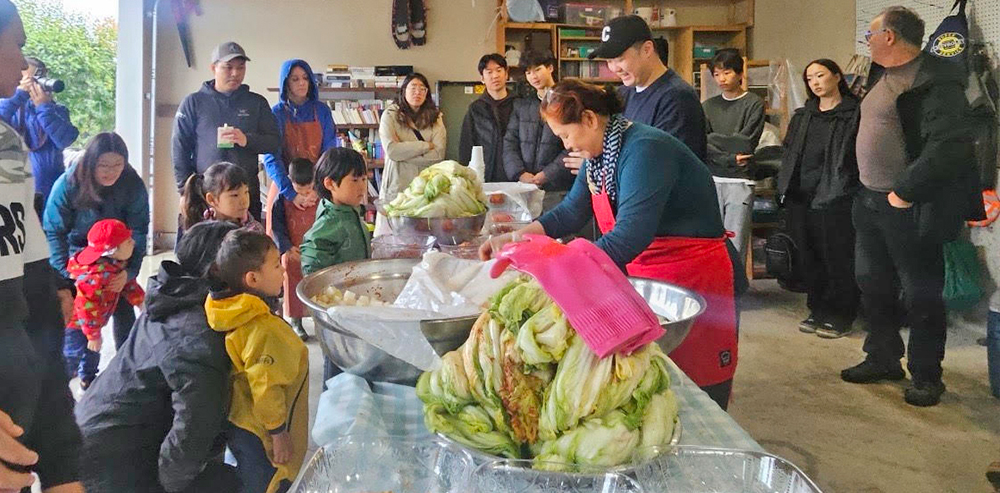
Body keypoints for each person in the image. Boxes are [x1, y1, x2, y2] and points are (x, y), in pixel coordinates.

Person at [480, 80, 739, 409]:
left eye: (566, 135)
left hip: (690, 280)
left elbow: (631, 234)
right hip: (644, 273)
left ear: (589, 119)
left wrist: (561, 269)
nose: (566, 146)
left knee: (695, 393)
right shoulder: (600, 154)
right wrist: (518, 238)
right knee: (651, 385)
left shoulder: (645, 150)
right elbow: (573, 211)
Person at [842, 7, 984, 407]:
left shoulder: (937, 80)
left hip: (908, 204)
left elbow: (949, 146)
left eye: (870, 35)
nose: (866, 41)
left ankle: (926, 375)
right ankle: (883, 357)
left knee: (921, 293)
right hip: (868, 200)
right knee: (873, 284)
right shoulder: (880, 75)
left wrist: (904, 192)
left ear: (889, 36)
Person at [76, 221, 240, 493]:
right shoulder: (196, 332)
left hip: (99, 436)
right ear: (217, 269)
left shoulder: (174, 294)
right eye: (248, 257)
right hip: (106, 464)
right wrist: (170, 486)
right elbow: (193, 430)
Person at [0, 1, 84, 491]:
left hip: (22, 427)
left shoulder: (9, 147)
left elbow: (36, 309)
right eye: (17, 44)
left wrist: (61, 466)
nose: (23, 61)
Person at [206, 230, 309, 493]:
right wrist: (278, 433)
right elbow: (265, 385)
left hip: (242, 419)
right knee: (269, 482)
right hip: (260, 430)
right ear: (252, 279)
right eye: (276, 266)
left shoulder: (234, 308)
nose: (283, 272)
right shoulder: (261, 327)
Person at [777, 59, 861, 339]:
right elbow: (788, 151)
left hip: (836, 196)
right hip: (801, 195)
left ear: (837, 76)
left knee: (837, 256)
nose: (815, 82)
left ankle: (842, 314)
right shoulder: (804, 116)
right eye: (809, 77)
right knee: (809, 256)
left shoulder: (853, 113)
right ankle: (817, 308)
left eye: (820, 75)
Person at [43, 132, 149, 350]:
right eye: (103, 165)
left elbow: (139, 230)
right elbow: (54, 231)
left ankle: (125, 363)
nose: (110, 172)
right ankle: (80, 368)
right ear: (91, 162)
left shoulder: (132, 183)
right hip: (78, 256)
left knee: (122, 301)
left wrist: (129, 272)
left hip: (117, 254)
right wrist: (66, 276)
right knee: (80, 316)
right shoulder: (69, 183)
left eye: (117, 164)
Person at [172, 41, 280, 223]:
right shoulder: (194, 102)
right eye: (228, 67)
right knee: (202, 247)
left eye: (241, 67)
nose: (235, 73)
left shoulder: (256, 103)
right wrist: (184, 190)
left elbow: (274, 142)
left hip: (245, 194)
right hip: (205, 194)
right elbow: (180, 149)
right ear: (213, 68)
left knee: (245, 249)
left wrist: (247, 140)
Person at [588, 15, 707, 162]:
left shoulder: (677, 98)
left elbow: (659, 162)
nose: (614, 68)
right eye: (609, 61)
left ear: (647, 49)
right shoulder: (622, 94)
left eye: (619, 59)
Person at [300, 148, 371, 386]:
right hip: (337, 314)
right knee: (338, 365)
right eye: (354, 180)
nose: (362, 187)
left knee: (355, 361)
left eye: (364, 179)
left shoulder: (348, 210)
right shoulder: (328, 224)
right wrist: (327, 304)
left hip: (355, 305)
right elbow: (310, 262)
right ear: (330, 183)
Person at [63, 219, 145, 390]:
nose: (134, 243)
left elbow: (128, 286)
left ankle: (88, 380)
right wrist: (92, 334)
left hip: (94, 323)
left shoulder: (116, 267)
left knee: (93, 353)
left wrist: (141, 301)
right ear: (113, 251)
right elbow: (86, 306)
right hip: (78, 324)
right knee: (74, 354)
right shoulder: (94, 277)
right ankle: (60, 381)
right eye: (128, 242)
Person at [262, 59, 336, 239]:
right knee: (284, 248)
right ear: (285, 83)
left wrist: (317, 188)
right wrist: (291, 192)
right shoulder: (276, 113)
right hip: (285, 187)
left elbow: (329, 152)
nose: (301, 82)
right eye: (295, 79)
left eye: (305, 78)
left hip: (318, 186)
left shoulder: (322, 111)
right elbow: (271, 157)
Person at [702, 49, 765, 257]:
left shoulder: (753, 103)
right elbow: (702, 141)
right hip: (712, 179)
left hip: (740, 181)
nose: (721, 78)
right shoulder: (708, 106)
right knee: (710, 243)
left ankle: (734, 289)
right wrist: (729, 157)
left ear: (739, 74)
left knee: (735, 243)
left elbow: (746, 143)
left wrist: (715, 139)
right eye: (717, 74)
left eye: (727, 72)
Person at [0, 55, 79, 215]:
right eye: (25, 79)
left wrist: (44, 108)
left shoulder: (56, 110)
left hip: (50, 189)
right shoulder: (7, 106)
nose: (31, 85)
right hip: (14, 186)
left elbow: (64, 140)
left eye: (36, 78)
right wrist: (17, 97)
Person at [375, 72, 446, 236]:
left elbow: (438, 154)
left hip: (425, 186)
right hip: (397, 184)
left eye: (422, 89)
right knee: (393, 236)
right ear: (404, 90)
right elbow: (392, 151)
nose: (418, 92)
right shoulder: (390, 115)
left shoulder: (436, 117)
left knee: (423, 237)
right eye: (413, 87)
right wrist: (425, 145)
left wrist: (404, 152)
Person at [503, 51, 574, 210]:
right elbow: (510, 142)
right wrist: (519, 173)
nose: (533, 76)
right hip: (525, 187)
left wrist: (547, 174)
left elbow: (573, 145)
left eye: (537, 70)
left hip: (558, 187)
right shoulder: (522, 105)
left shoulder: (568, 101)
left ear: (550, 68)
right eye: (528, 72)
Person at [269, 157, 319, 340]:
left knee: (317, 283)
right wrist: (286, 247)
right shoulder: (281, 200)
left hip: (315, 249)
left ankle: (318, 320)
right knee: (292, 283)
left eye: (309, 188)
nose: (306, 193)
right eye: (300, 190)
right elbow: (277, 225)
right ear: (290, 182)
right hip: (293, 250)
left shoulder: (321, 195)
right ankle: (296, 322)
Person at [459, 53, 516, 183]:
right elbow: (466, 144)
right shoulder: (475, 109)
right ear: (482, 78)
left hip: (515, 173)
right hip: (485, 173)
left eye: (499, 70)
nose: (495, 76)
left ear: (506, 74)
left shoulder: (519, 104)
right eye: (489, 72)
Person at [181, 161, 265, 233]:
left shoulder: (253, 231)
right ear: (212, 199)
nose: (244, 201)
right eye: (235, 195)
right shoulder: (201, 232)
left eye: (246, 192)